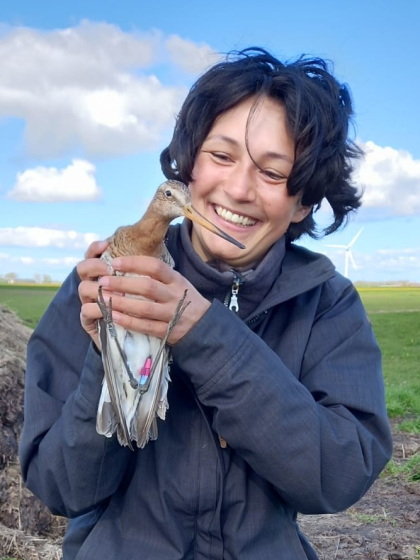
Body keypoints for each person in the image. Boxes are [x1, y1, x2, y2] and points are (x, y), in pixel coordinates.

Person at [19, 47, 393, 560]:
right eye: (221, 156)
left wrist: (203, 333)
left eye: (272, 172)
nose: (238, 189)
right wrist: (107, 352)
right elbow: (60, 487)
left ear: (304, 201)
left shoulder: (327, 304)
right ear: (189, 164)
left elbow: (338, 476)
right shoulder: (99, 280)